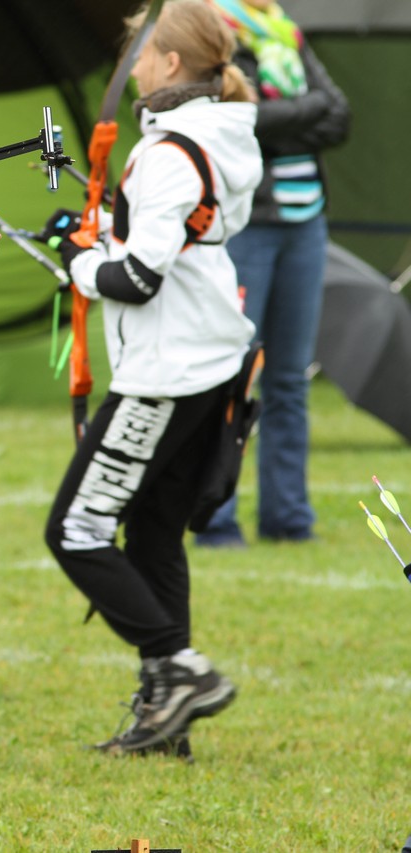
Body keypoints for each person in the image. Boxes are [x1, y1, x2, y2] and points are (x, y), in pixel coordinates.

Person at [41, 0, 262, 756]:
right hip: (210, 360)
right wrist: (93, 232)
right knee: (155, 532)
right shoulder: (220, 132)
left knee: (75, 528)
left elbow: (137, 278)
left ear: (171, 64)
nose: (131, 67)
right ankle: (165, 721)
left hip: (171, 369)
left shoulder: (167, 151)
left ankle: (180, 667)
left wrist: (79, 262)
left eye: (140, 54)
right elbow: (173, 239)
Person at [195, 0, 351, 547]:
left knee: (289, 380)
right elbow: (238, 118)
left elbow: (339, 115)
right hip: (250, 227)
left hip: (307, 225)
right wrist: (300, 112)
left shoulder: (286, 32)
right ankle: (215, 520)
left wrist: (281, 116)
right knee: (235, 374)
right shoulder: (216, 33)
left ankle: (289, 520)